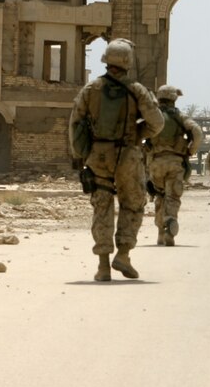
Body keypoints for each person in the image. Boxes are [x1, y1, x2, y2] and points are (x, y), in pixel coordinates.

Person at [69, 39, 164, 281]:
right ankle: (123, 254)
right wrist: (138, 134)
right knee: (132, 204)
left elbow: (75, 124)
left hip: (97, 156)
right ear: (128, 61)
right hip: (128, 155)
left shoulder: (90, 90)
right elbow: (157, 123)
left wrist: (82, 154)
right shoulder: (138, 90)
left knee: (102, 206)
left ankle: (103, 266)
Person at [147, 86, 204, 245]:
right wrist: (191, 150)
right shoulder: (180, 116)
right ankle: (169, 224)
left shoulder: (153, 117)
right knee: (172, 197)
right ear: (174, 99)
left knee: (159, 194)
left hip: (155, 163)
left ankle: (160, 231)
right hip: (175, 162)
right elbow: (197, 133)